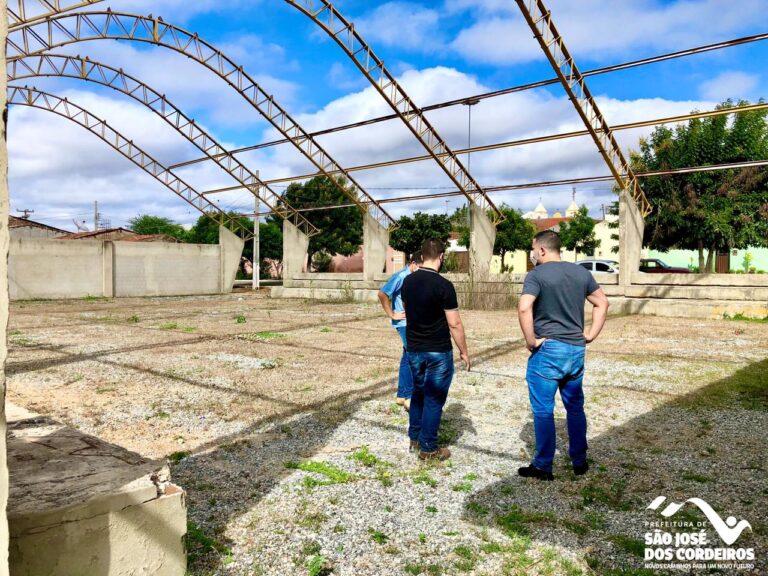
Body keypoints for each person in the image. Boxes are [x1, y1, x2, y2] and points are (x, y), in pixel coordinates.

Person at [517, 230, 609, 481]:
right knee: (575, 407)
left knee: (544, 409)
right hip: (576, 349)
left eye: (533, 249)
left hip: (548, 350)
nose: (532, 253)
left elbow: (524, 306)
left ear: (543, 250)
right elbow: (602, 303)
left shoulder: (536, 275)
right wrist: (590, 334)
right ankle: (579, 460)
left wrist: (531, 340)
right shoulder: (581, 272)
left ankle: (543, 465)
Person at [401, 239, 470, 461]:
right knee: (433, 398)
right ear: (441, 256)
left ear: (421, 256)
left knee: (418, 391)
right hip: (438, 351)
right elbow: (455, 323)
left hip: (413, 349)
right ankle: (429, 448)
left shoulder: (407, 282)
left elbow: (407, 310)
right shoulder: (444, 286)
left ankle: (415, 437)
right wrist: (464, 351)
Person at [378, 251, 423, 410]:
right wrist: (391, 313)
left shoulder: (413, 277)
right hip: (403, 323)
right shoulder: (401, 276)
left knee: (407, 355)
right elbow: (382, 293)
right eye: (421, 267)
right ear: (413, 263)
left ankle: (402, 395)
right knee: (414, 357)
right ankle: (410, 397)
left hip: (411, 322)